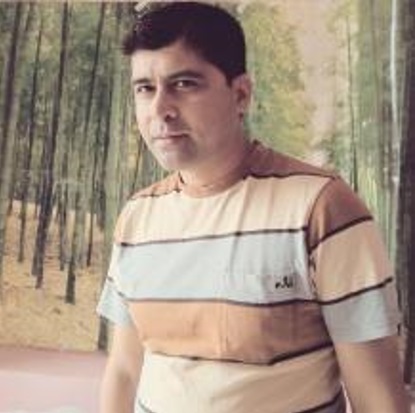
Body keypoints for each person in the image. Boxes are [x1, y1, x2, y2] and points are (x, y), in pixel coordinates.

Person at [96, 2, 410, 412]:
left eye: (184, 84)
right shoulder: (138, 218)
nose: (160, 110)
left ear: (241, 94)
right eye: (145, 88)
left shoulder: (321, 207)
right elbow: (124, 369)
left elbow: (378, 398)